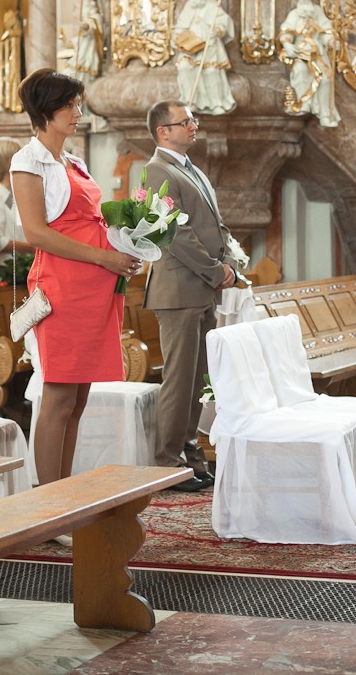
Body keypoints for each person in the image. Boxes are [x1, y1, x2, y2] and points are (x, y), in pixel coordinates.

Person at [10, 69, 136, 487]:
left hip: (94, 287)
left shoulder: (72, 161)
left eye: (77, 104)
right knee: (59, 397)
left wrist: (127, 247)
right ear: (46, 109)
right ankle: (49, 504)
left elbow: (92, 220)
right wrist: (104, 257)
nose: (78, 113)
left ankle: (63, 492)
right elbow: (37, 233)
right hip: (62, 288)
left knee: (78, 400)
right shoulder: (28, 160)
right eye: (70, 105)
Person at [142, 100, 240, 492]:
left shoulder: (192, 169)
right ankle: (166, 464)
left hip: (202, 288)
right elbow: (172, 232)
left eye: (193, 120)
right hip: (179, 289)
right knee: (179, 381)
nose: (194, 126)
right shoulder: (155, 171)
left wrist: (230, 260)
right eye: (185, 122)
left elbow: (215, 225)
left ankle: (191, 457)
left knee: (200, 381)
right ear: (163, 131)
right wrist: (216, 271)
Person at [278, 0, 337, 127]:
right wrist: (287, 44)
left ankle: (325, 113)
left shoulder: (317, 12)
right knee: (300, 71)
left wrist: (330, 40)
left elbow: (326, 30)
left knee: (325, 79)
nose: (304, 0)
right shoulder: (294, 14)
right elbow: (286, 32)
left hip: (317, 52)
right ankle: (303, 104)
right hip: (300, 53)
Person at [172, 0, 235, 114]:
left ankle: (216, 103)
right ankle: (190, 100)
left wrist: (217, 30)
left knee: (211, 71)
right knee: (184, 68)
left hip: (209, 46)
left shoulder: (213, 4)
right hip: (191, 47)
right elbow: (181, 25)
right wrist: (177, 38)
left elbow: (224, 21)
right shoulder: (189, 5)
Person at [0, 137, 35, 269]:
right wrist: (31, 248)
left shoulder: (20, 191)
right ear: (8, 162)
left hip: (27, 263)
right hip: (6, 268)